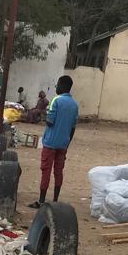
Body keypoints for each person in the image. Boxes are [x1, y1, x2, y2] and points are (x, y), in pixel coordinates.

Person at [30, 76, 78, 208]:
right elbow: (73, 127)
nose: (56, 87)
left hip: (50, 142)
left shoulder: (56, 100)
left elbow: (50, 121)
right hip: (63, 144)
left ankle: (41, 201)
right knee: (58, 171)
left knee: (46, 170)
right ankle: (55, 200)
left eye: (57, 85)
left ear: (62, 86)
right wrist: (67, 142)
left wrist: (46, 117)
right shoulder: (74, 104)